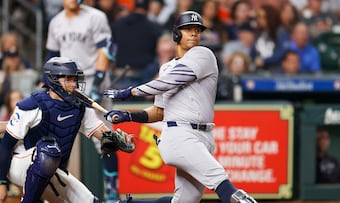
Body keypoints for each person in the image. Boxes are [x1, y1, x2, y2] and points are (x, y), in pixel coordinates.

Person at [104, 11, 257, 203]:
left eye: (197, 30)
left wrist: (130, 92)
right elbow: (159, 111)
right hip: (179, 135)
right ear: (176, 34)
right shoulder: (166, 68)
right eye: (188, 29)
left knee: (185, 200)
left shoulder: (203, 55)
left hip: (204, 136)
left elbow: (169, 83)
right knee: (222, 182)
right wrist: (128, 116)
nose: (194, 33)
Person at [0, 57, 134, 203]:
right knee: (48, 151)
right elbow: (6, 145)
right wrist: (1, 183)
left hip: (53, 169)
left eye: (75, 79)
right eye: (69, 79)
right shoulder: (32, 104)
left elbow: (104, 135)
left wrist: (120, 139)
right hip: (20, 164)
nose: (74, 84)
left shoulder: (80, 108)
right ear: (54, 80)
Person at [45, 0, 120, 201]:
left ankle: (112, 191)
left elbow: (106, 50)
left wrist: (96, 85)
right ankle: (52, 190)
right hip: (65, 82)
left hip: (92, 78)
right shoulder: (56, 22)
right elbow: (52, 55)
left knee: (106, 139)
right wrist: (47, 83)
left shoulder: (95, 16)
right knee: (57, 136)